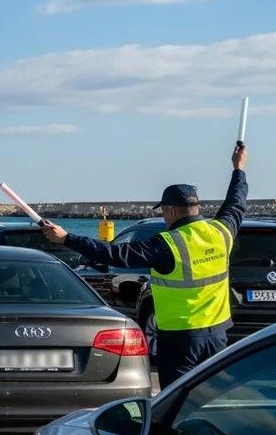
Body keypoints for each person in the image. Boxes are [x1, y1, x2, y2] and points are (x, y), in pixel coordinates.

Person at [41, 146, 248, 389]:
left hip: (181, 338)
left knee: (177, 400)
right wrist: (239, 169)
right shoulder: (222, 231)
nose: (164, 218)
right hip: (218, 334)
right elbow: (237, 202)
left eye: (164, 212)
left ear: (170, 210)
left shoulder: (168, 244)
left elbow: (115, 254)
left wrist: (66, 238)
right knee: (212, 396)